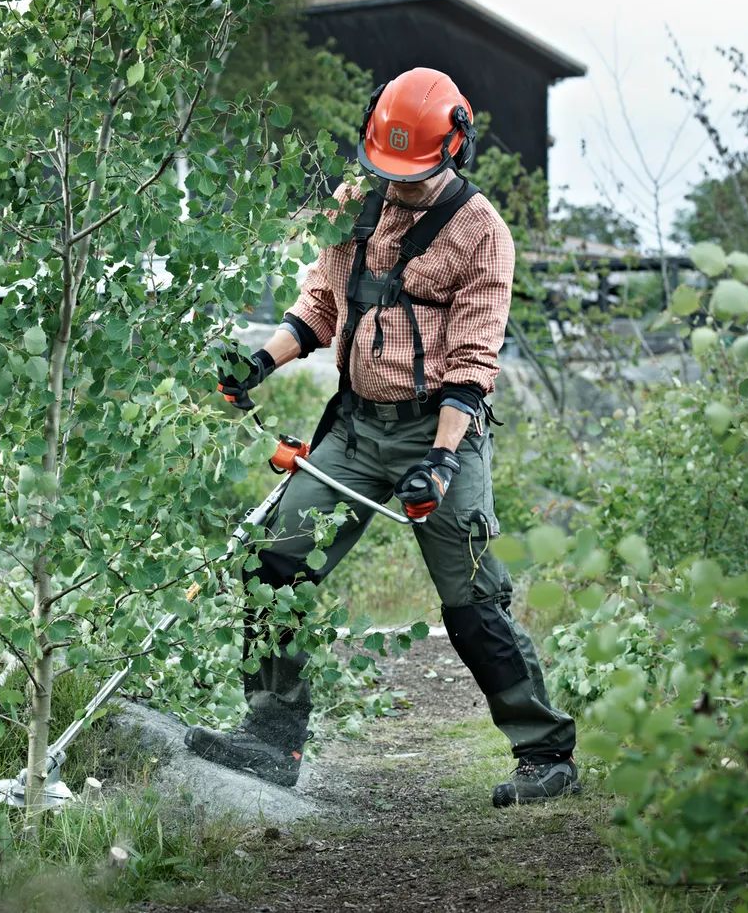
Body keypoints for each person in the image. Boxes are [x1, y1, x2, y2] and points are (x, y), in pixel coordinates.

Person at [185, 68, 579, 807]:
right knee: (275, 561)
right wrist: (258, 362)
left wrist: (439, 461)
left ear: (454, 150)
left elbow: (472, 363)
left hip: (441, 430)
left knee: (471, 601)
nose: (396, 186)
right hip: (357, 426)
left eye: (412, 174)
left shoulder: (482, 233)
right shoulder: (355, 203)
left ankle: (544, 750)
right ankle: (271, 736)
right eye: (385, 171)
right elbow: (322, 306)